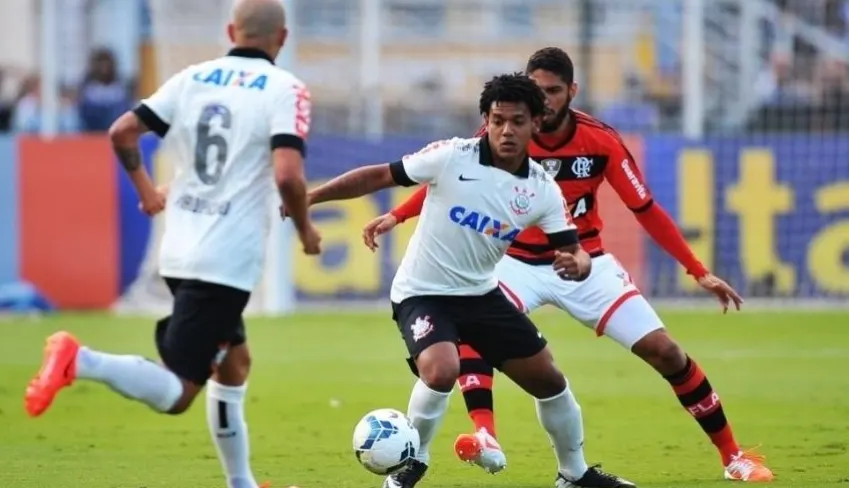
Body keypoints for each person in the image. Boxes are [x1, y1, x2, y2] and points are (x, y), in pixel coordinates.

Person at [370, 47, 773, 483]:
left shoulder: (599, 141)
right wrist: (398, 214)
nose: (541, 102)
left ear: (571, 92)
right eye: (535, 91)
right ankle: (485, 433)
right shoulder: (507, 128)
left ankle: (734, 457)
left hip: (584, 261)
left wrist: (697, 269)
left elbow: (645, 207)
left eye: (552, 92)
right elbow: (448, 179)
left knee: (666, 351)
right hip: (515, 262)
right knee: (468, 324)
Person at [23, 2, 320, 488]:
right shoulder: (288, 89)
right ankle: (80, 359)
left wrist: (146, 192)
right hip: (225, 258)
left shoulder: (194, 76)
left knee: (234, 364)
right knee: (177, 392)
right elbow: (288, 174)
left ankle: (240, 482)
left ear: (230, 30)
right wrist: (306, 229)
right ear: (282, 38)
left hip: (181, 243)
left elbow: (123, 132)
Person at [300, 72, 635, 488]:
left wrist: (577, 264)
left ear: (536, 123)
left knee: (549, 381)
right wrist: (310, 197)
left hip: (480, 294)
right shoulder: (451, 156)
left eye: (516, 121)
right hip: (422, 292)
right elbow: (378, 176)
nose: (506, 131)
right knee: (441, 369)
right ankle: (412, 464)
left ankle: (575, 473)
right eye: (497, 120)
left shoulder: (541, 189)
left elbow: (573, 249)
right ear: (487, 120)